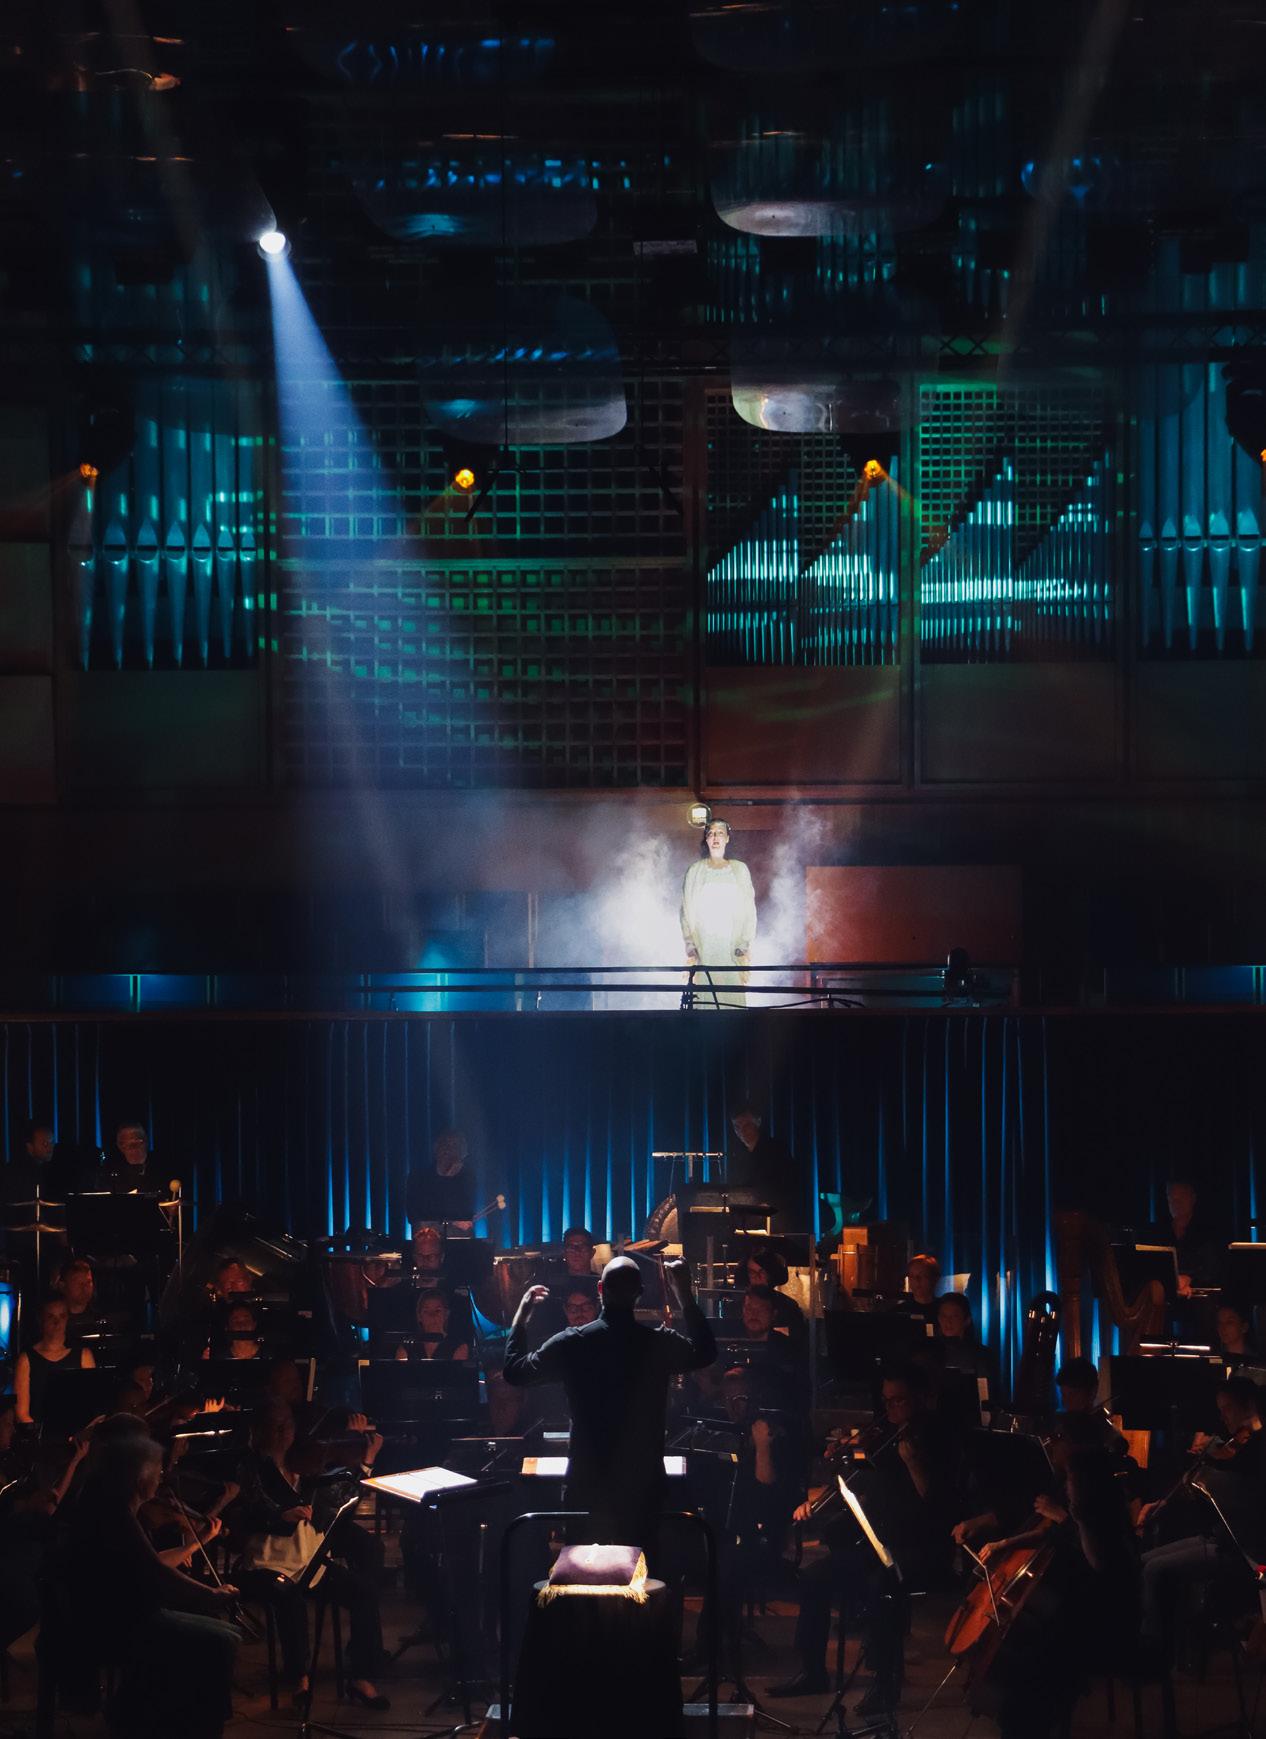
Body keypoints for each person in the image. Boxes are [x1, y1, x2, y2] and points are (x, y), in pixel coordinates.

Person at [769, 1365, 960, 1711]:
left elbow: (938, 1506)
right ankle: (813, 1671)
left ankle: (885, 1684)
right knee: (814, 1577)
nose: (891, 1409)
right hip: (880, 1541)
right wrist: (836, 1472)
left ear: (919, 1399)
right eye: (886, 1401)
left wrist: (913, 1463)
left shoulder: (937, 1438)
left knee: (880, 1588)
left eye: (899, 1401)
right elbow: (858, 1479)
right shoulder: (887, 1432)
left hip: (921, 1547)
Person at [504, 1255, 715, 1550]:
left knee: (585, 1568)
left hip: (587, 1480)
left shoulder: (573, 1342)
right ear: (639, 1293)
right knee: (641, 1566)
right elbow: (706, 1352)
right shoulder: (657, 1343)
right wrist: (684, 1294)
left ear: (600, 1290)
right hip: (642, 1481)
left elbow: (515, 1371)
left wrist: (522, 1316)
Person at [57, 1431, 240, 1739]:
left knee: (224, 1635)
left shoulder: (112, 1506)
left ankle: (152, 1714)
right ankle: (200, 1726)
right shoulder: (116, 1514)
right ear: (140, 1477)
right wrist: (210, 1594)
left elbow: (149, 1563)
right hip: (112, 1624)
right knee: (222, 1640)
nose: (161, 1479)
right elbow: (156, 1570)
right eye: (158, 1472)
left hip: (120, 1614)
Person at [234, 1400, 389, 1709]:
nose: (283, 1433)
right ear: (260, 1430)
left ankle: (362, 1676)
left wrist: (365, 1461)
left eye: (288, 1426)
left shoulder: (307, 1466)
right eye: (275, 1427)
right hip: (269, 1563)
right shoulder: (250, 1469)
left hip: (309, 1560)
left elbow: (339, 1499)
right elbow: (251, 1511)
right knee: (289, 1596)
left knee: (364, 1593)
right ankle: (299, 1678)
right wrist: (281, 1516)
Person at [680, 820, 757, 1009]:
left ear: (727, 838)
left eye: (720, 833)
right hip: (704, 944)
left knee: (730, 996)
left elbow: (749, 909)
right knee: (705, 994)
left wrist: (744, 943)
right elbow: (686, 910)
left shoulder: (739, 869)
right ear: (706, 839)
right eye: (711, 833)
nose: (715, 838)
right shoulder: (695, 871)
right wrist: (691, 944)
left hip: (731, 945)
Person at [15, 1297, 95, 1426]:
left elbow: (91, 1401)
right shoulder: (26, 1359)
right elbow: (22, 1412)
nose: (57, 1322)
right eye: (50, 1317)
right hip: (39, 1432)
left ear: (67, 1319)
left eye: (62, 1316)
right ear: (41, 1320)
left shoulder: (83, 1355)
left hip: (77, 1431)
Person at [1145, 1178, 1225, 1297]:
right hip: (1164, 1296)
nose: (1176, 1203)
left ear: (1193, 1198)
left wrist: (1188, 1279)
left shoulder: (1208, 1234)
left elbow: (1213, 1271)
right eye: (1171, 1198)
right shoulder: (1159, 1233)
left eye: (1182, 1196)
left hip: (1200, 1298)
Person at [726, 1104, 801, 1227]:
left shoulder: (777, 1149)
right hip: (745, 1220)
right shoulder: (736, 1155)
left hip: (777, 1219)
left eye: (747, 1125)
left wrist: (765, 1206)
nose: (741, 1132)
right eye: (737, 1127)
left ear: (758, 1123)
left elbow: (789, 1187)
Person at [405, 1128, 475, 1231]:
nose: (447, 1149)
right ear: (436, 1147)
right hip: (426, 1236)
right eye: (444, 1144)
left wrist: (449, 1178)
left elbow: (465, 1214)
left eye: (454, 1146)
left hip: (459, 1237)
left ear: (462, 1153)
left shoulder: (468, 1179)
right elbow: (414, 1215)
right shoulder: (418, 1177)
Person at [394, 1291, 470, 1361]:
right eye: (426, 1311)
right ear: (419, 1316)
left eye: (437, 1311)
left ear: (446, 1314)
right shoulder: (407, 1347)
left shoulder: (458, 1346)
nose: (432, 1316)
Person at [104, 1121, 167, 1193]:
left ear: (145, 1142)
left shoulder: (162, 1166)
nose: (133, 1149)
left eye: (136, 1142)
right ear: (120, 1147)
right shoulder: (111, 1172)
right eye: (127, 1144)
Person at [892, 1254, 941, 1325]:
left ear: (935, 1278)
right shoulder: (898, 1313)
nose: (916, 1280)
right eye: (912, 1276)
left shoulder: (944, 1311)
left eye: (922, 1275)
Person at [1214, 1298, 1257, 1368]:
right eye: (1220, 1322)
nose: (1223, 1327)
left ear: (1244, 1327)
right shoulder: (1215, 1359)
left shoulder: (1255, 1362)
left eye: (1229, 1322)